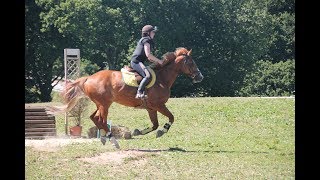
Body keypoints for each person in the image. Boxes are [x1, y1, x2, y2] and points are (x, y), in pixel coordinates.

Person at [130, 25, 163, 99]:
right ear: (148, 33)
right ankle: (139, 93)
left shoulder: (145, 40)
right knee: (148, 76)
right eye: (153, 32)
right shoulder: (146, 40)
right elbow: (148, 55)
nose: (154, 33)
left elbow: (149, 58)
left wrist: (155, 62)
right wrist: (159, 61)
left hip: (139, 61)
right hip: (136, 62)